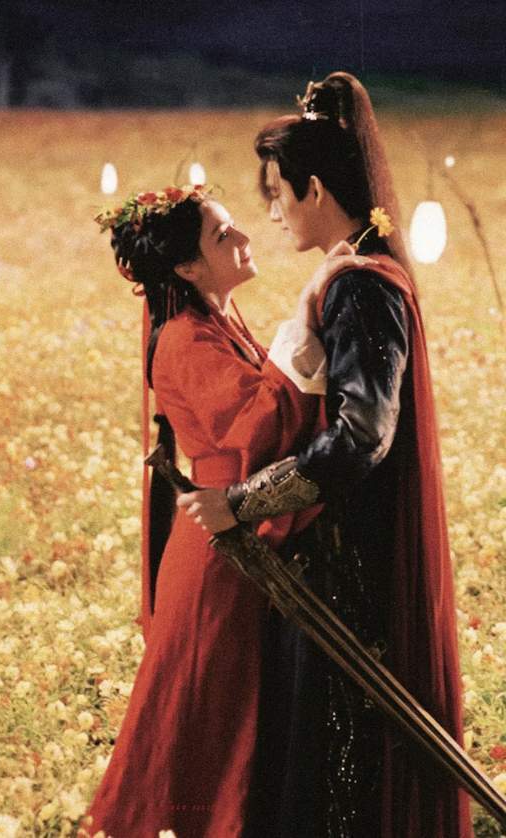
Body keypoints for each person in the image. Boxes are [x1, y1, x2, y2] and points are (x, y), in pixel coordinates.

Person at [177, 72, 472, 837]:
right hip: (333, 554)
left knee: (340, 755)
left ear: (313, 188)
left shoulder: (361, 286)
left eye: (278, 193)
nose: (273, 213)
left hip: (351, 565)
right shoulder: (352, 273)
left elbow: (362, 437)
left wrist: (240, 501)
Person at [80, 184, 373, 837]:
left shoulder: (218, 318)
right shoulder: (185, 338)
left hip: (236, 523)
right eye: (222, 236)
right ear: (187, 267)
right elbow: (260, 423)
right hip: (216, 544)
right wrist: (306, 309)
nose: (243, 239)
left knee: (226, 703)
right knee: (201, 706)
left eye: (235, 226)